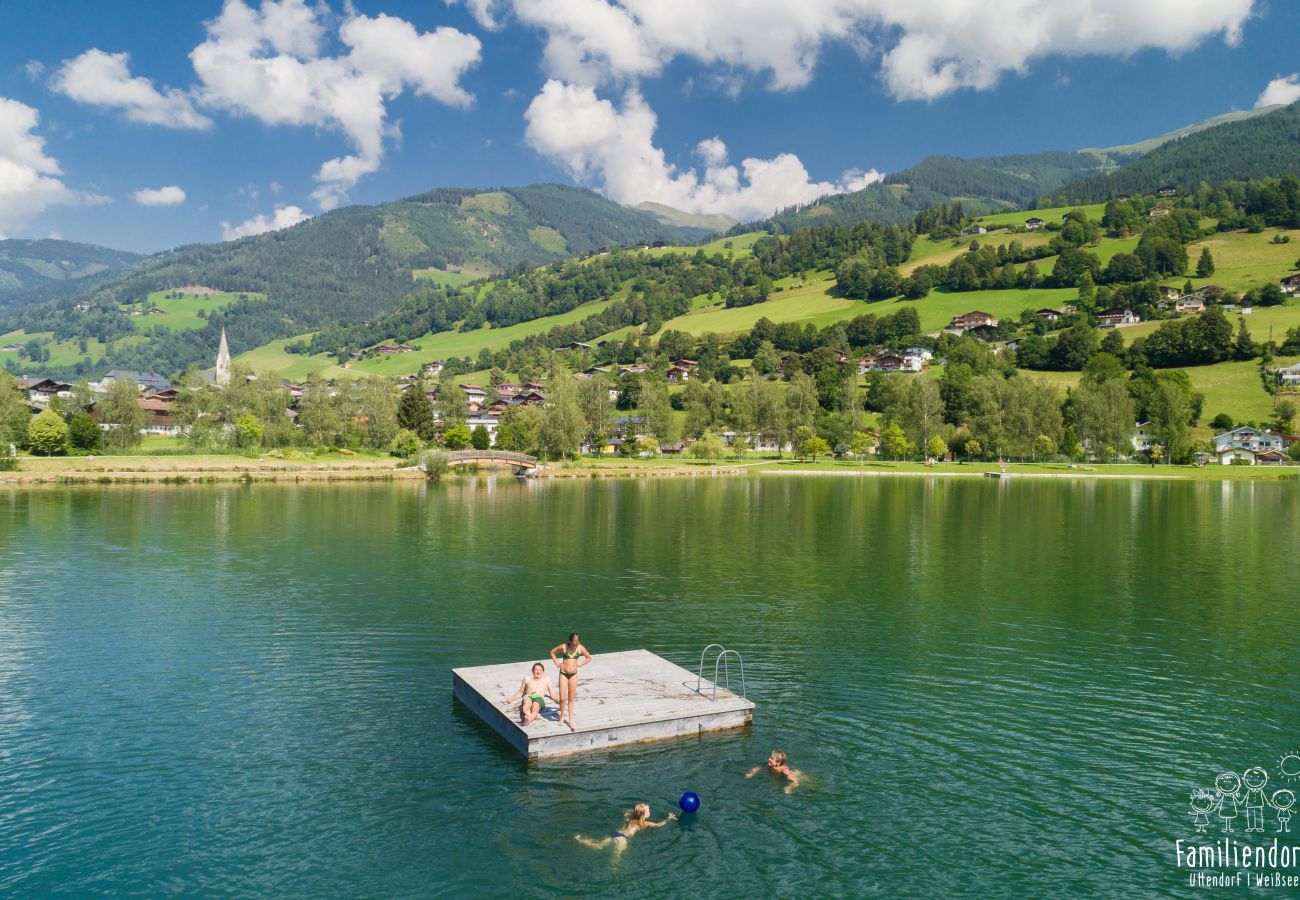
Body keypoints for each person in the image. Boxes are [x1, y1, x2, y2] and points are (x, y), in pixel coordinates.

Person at [575, 803, 674, 858]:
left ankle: (580, 839)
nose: (650, 811)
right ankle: (614, 869)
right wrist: (669, 818)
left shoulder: (629, 816)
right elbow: (659, 824)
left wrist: (636, 811)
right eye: (649, 810)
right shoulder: (644, 823)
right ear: (644, 815)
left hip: (615, 833)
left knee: (600, 845)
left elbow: (626, 812)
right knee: (617, 856)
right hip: (622, 838)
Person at [549, 632, 592, 731]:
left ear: (579, 642)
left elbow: (589, 657)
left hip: (573, 675)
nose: (574, 645)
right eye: (573, 643)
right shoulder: (564, 647)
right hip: (563, 674)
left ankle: (571, 720)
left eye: (576, 643)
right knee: (563, 698)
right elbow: (552, 652)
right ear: (570, 641)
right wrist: (557, 663)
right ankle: (562, 716)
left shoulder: (580, 648)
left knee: (571, 698)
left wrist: (581, 663)